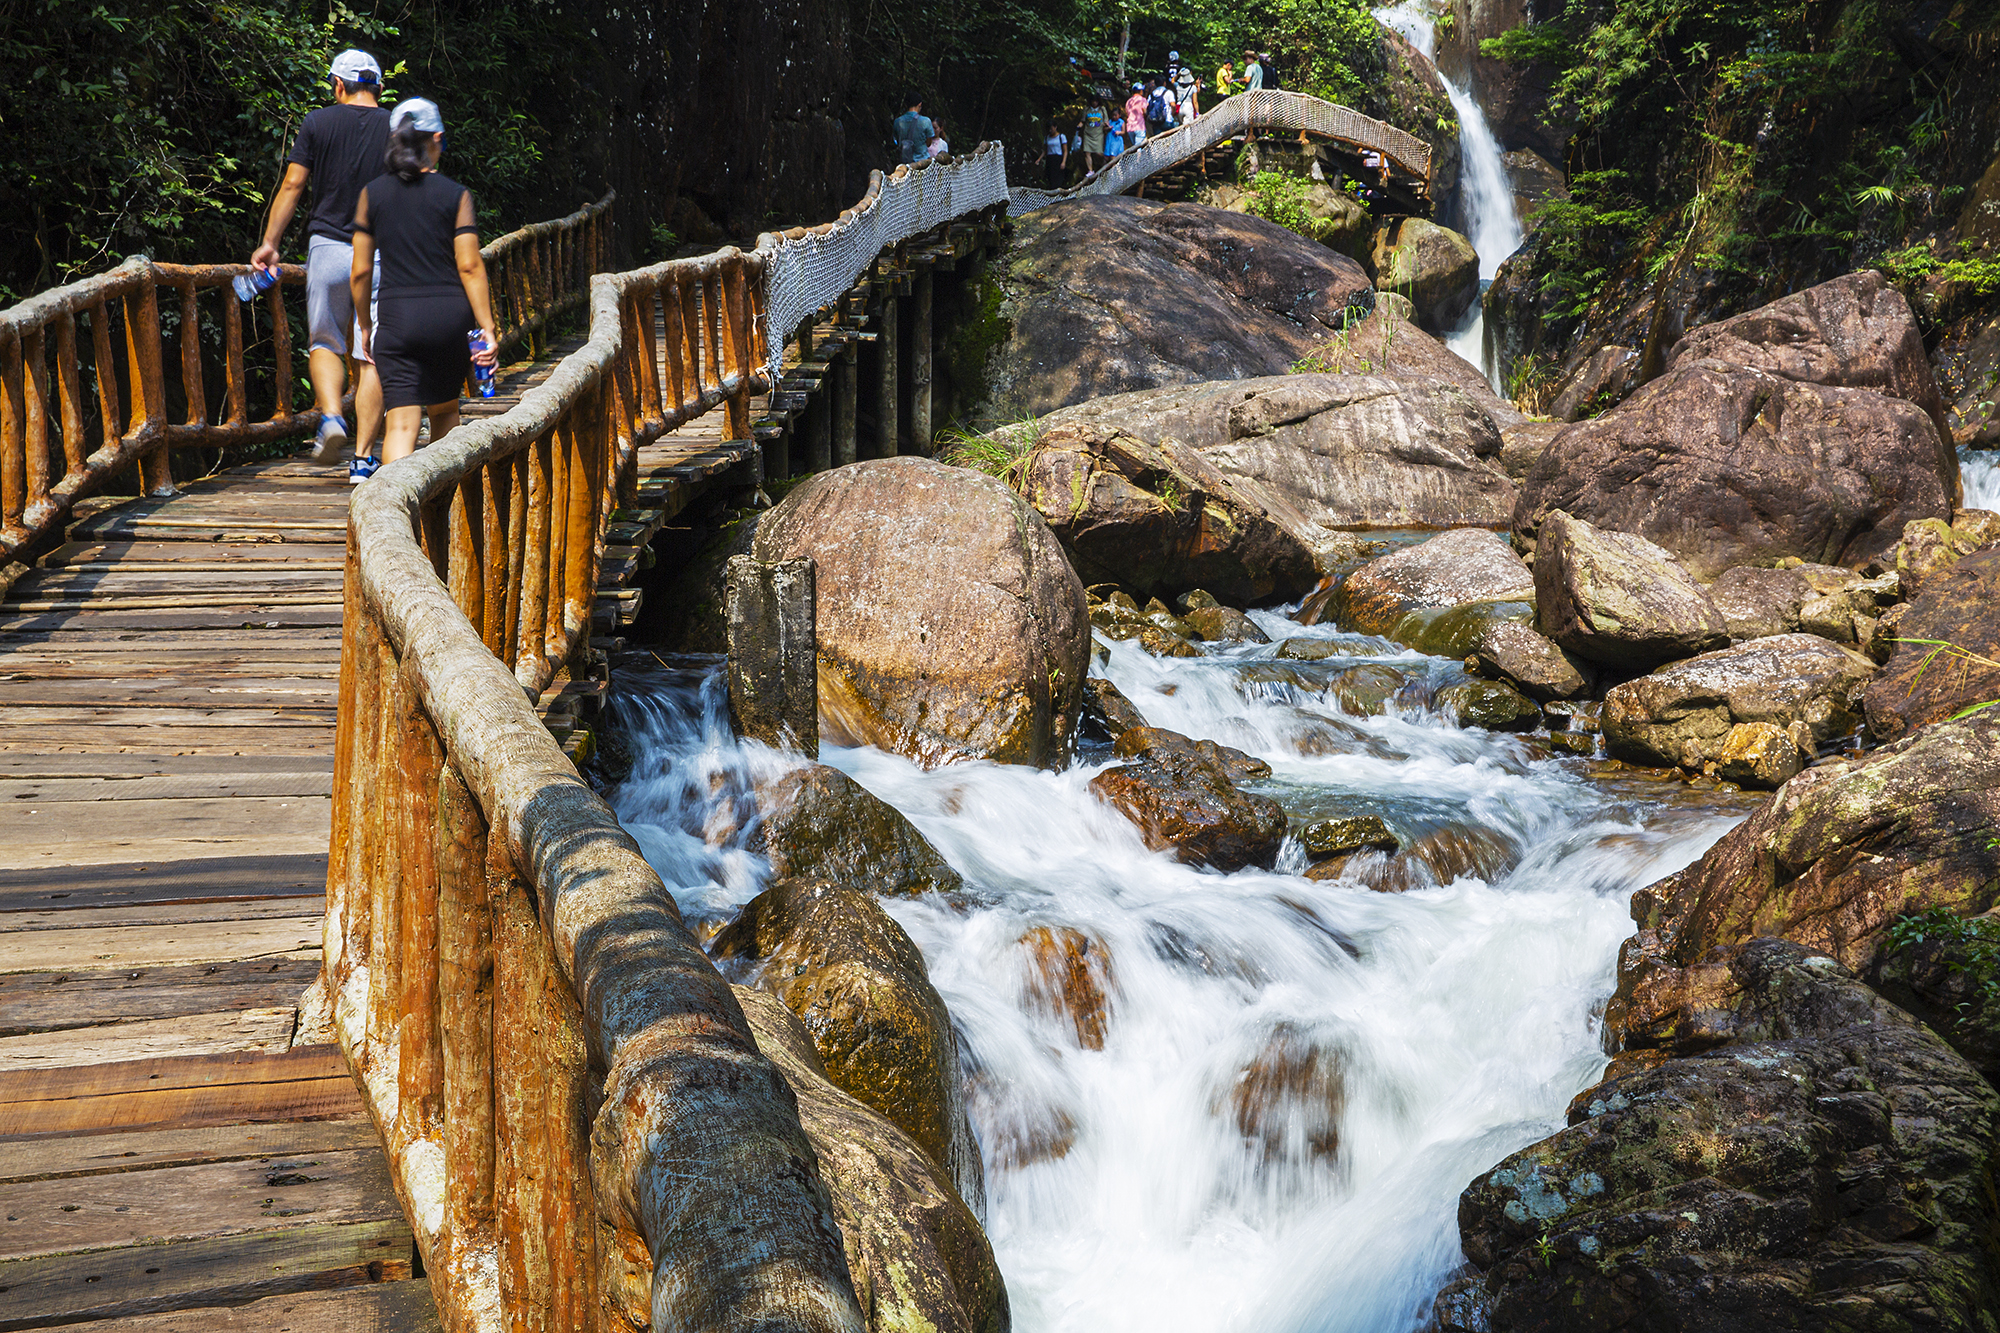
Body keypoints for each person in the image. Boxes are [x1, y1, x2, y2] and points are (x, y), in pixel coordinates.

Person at [250, 48, 391, 481]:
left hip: (328, 247)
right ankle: (364, 459)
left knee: (325, 341)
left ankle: (331, 416)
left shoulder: (317, 122)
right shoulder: (398, 126)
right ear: (379, 88)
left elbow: (294, 184)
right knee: (370, 353)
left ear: (339, 85)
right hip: (383, 251)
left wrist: (270, 243)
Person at [349, 99, 499, 472]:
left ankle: (400, 512)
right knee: (446, 413)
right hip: (449, 319)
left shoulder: (372, 194)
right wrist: (488, 328)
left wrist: (365, 325)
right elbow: (469, 267)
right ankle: (441, 519)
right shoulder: (456, 195)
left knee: (400, 422)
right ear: (436, 139)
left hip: (398, 319)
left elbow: (361, 272)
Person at [892, 96, 934, 165]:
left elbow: (896, 141)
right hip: (922, 162)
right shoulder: (926, 121)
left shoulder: (897, 121)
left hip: (905, 164)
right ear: (920, 104)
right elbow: (928, 143)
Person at [1080, 102, 1107, 178]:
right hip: (1088, 134)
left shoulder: (1102, 109)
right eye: (1093, 100)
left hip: (1098, 134)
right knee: (1087, 152)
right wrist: (1078, 127)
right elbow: (1083, 121)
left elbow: (1106, 121)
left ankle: (1103, 162)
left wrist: (1107, 126)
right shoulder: (1087, 109)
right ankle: (1090, 170)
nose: (1094, 102)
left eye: (1096, 101)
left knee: (1099, 153)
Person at [1038, 121, 1070, 187]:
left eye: (1051, 129)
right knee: (1050, 177)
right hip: (1050, 159)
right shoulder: (1047, 138)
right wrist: (1039, 159)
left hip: (1058, 158)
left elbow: (1065, 151)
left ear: (1055, 127)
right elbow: (1045, 150)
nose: (1050, 131)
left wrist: (1063, 162)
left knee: (1058, 177)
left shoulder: (1061, 137)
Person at [1124, 83, 1149, 148]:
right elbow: (1145, 111)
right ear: (1141, 91)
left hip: (1130, 127)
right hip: (1139, 127)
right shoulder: (1142, 100)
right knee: (1138, 148)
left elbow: (1127, 113)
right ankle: (1139, 158)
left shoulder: (1128, 101)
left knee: (1134, 147)